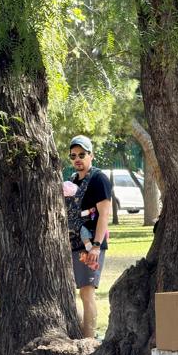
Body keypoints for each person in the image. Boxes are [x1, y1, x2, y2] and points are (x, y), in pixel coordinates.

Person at [66, 136, 112, 339]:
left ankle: (89, 341)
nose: (78, 159)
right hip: (72, 244)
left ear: (91, 155)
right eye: (73, 156)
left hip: (90, 246)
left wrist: (95, 246)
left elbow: (104, 215)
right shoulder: (72, 181)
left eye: (82, 155)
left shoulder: (98, 179)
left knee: (87, 292)